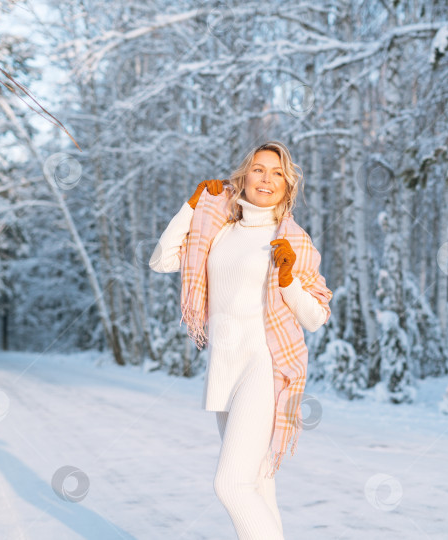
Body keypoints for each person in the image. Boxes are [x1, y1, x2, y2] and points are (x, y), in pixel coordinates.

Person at [149, 141, 332, 539]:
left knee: (230, 485)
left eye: (277, 173)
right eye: (258, 169)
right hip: (225, 366)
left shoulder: (291, 241)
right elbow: (162, 260)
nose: (267, 179)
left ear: (288, 186)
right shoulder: (217, 229)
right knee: (258, 483)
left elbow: (316, 317)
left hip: (263, 369)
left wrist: (288, 281)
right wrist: (192, 205)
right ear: (243, 176)